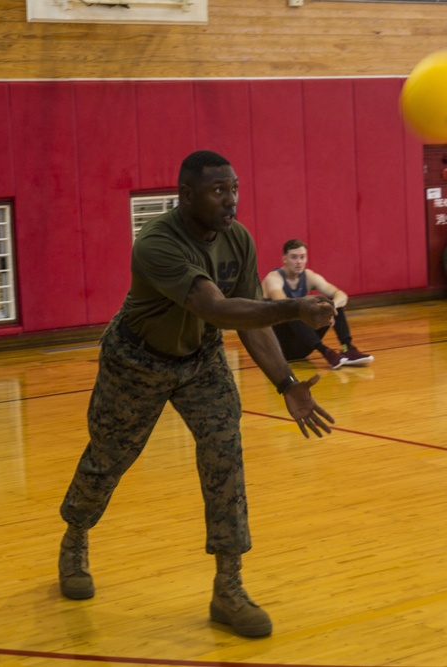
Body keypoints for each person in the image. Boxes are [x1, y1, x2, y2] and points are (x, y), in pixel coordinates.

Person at [57, 150, 337, 639]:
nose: (230, 200)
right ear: (186, 195)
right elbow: (217, 307)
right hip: (136, 361)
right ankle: (76, 536)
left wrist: (287, 383)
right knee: (109, 457)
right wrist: (294, 308)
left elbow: (248, 319)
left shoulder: (239, 238)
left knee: (224, 453)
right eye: (217, 190)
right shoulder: (156, 243)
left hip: (201, 360)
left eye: (234, 188)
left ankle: (228, 588)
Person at [261, 239, 373, 370]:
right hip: (279, 348)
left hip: (302, 345)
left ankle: (347, 347)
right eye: (294, 257)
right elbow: (283, 303)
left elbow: (341, 295)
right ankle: (326, 352)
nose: (298, 262)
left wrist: (331, 309)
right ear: (284, 259)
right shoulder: (273, 278)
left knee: (331, 302)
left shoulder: (309, 276)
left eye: (302, 257)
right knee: (291, 309)